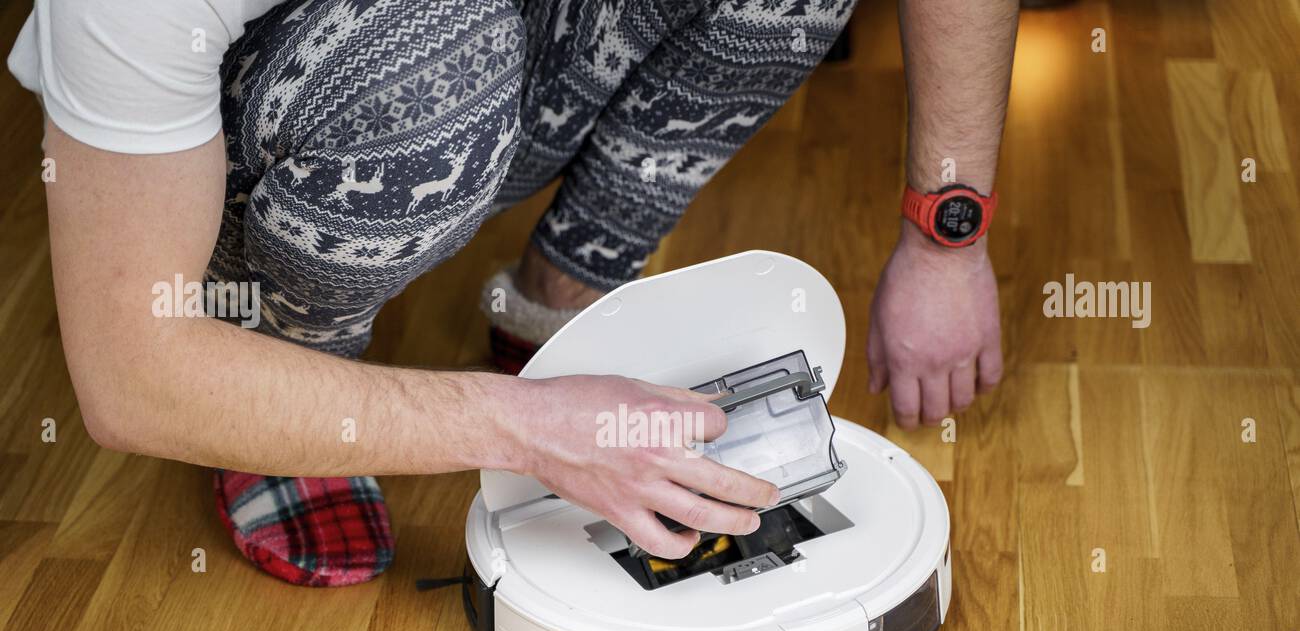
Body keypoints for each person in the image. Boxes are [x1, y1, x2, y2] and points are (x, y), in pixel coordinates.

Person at [13, 0, 1015, 586]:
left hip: (514, 46)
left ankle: (557, 302)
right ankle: (292, 351)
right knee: (430, 74)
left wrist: (945, 236)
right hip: (315, 107)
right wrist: (529, 429)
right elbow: (132, 374)